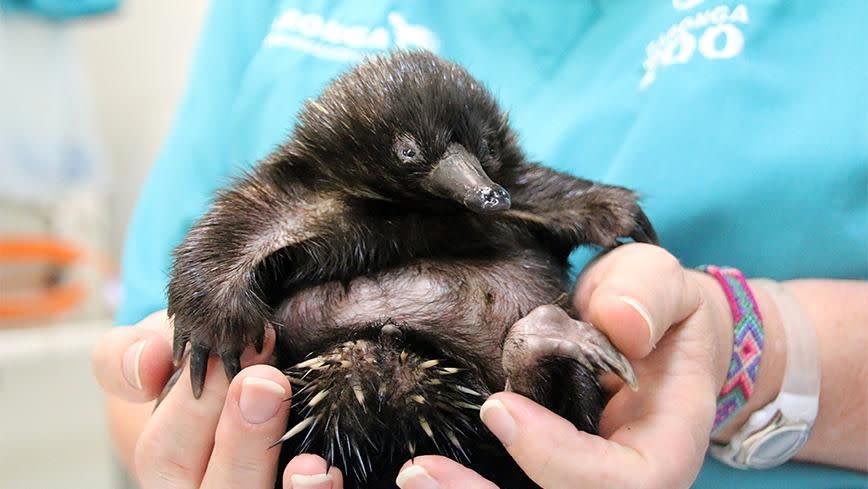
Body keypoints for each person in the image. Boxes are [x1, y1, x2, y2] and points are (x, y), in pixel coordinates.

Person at [91, 1, 868, 488]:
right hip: (323, 398)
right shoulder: (294, 188)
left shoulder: (502, 178)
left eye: (482, 162)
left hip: (498, 389)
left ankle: (538, 368)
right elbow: (157, 360)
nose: (480, 187)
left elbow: (524, 192)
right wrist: (187, 420)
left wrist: (757, 346)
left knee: (517, 418)